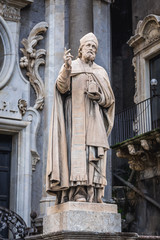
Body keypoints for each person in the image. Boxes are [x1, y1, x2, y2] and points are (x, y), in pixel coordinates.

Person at [46, 32, 115, 204]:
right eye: (88, 46)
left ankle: (93, 192)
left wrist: (98, 97)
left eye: (94, 47)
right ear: (80, 49)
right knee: (76, 154)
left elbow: (109, 99)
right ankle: (77, 192)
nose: (91, 49)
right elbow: (61, 88)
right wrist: (67, 68)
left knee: (92, 153)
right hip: (74, 119)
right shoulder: (71, 66)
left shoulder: (100, 71)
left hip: (93, 119)